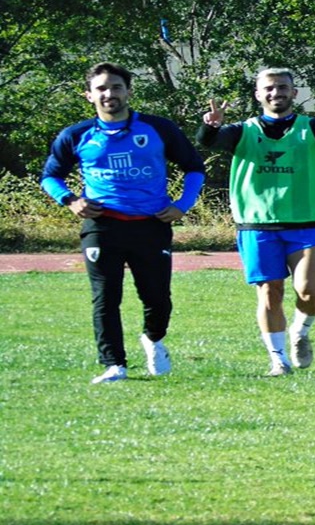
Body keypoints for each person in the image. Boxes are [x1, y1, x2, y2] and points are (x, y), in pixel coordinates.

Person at [41, 62, 206, 383]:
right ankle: (114, 364)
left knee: (157, 297)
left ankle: (153, 338)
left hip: (151, 224)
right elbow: (50, 176)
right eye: (101, 88)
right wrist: (71, 200)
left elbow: (194, 167)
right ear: (89, 95)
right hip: (102, 227)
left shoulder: (159, 129)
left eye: (116, 87)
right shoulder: (75, 135)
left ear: (129, 91)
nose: (109, 94)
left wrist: (182, 205)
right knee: (105, 297)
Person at [198, 67, 315, 376]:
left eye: (283, 87)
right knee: (270, 293)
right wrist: (209, 127)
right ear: (258, 94)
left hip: (306, 224)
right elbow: (209, 141)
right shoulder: (243, 131)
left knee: (310, 292)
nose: (275, 92)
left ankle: (300, 330)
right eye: (268, 88)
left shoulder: (313, 127)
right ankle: (278, 359)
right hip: (257, 225)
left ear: (294, 93)